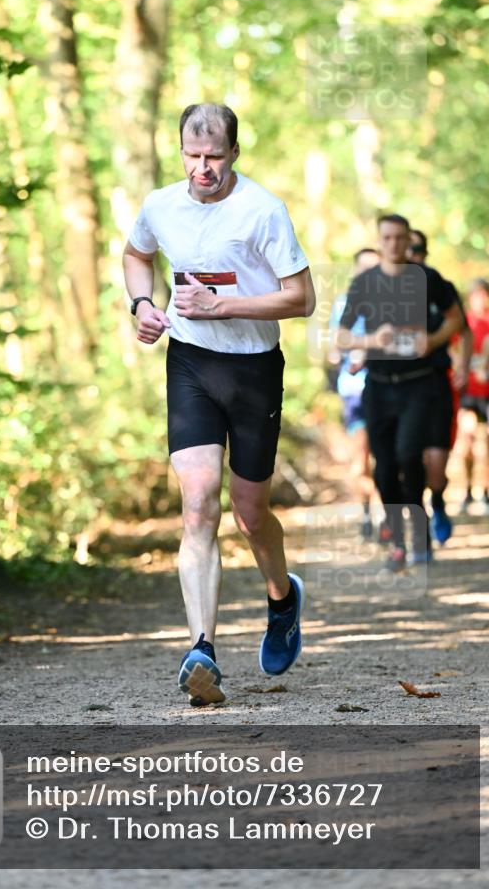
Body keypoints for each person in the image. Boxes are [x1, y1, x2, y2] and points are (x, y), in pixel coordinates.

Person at [122, 102, 315, 707]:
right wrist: (142, 305)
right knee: (199, 500)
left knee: (251, 514)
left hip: (254, 369)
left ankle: (281, 598)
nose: (201, 167)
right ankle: (201, 649)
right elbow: (136, 255)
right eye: (192, 155)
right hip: (191, 364)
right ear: (180, 151)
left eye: (213, 156)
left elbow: (301, 298)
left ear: (234, 153)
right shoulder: (161, 205)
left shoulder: (262, 210)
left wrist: (224, 306)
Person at [335, 214, 464, 571]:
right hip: (378, 386)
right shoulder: (364, 283)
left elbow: (456, 319)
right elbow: (341, 336)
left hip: (419, 384)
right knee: (384, 469)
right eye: (387, 238)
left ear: (409, 241)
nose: (394, 244)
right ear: (379, 241)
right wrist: (371, 340)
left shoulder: (428, 278)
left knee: (409, 455)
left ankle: (420, 528)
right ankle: (398, 541)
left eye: (400, 238)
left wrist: (433, 340)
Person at [406, 229, 472, 543]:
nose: (412, 254)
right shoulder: (388, 287)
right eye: (407, 248)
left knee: (436, 462)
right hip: (401, 388)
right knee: (407, 457)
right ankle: (418, 520)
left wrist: (464, 366)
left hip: (435, 381)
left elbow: (464, 329)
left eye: (417, 248)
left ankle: (438, 500)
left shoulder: (440, 286)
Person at [328, 248, 379, 539]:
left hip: (390, 388)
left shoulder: (394, 303)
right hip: (355, 390)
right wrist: (343, 353)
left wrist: (368, 351)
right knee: (361, 458)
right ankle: (368, 514)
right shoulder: (343, 303)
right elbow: (334, 347)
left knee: (388, 457)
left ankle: (386, 514)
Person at [457, 279, 489, 515]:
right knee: (467, 439)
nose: (479, 299)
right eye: (475, 295)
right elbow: (454, 350)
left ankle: (487, 493)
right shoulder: (464, 321)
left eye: (483, 294)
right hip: (469, 392)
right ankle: (468, 490)